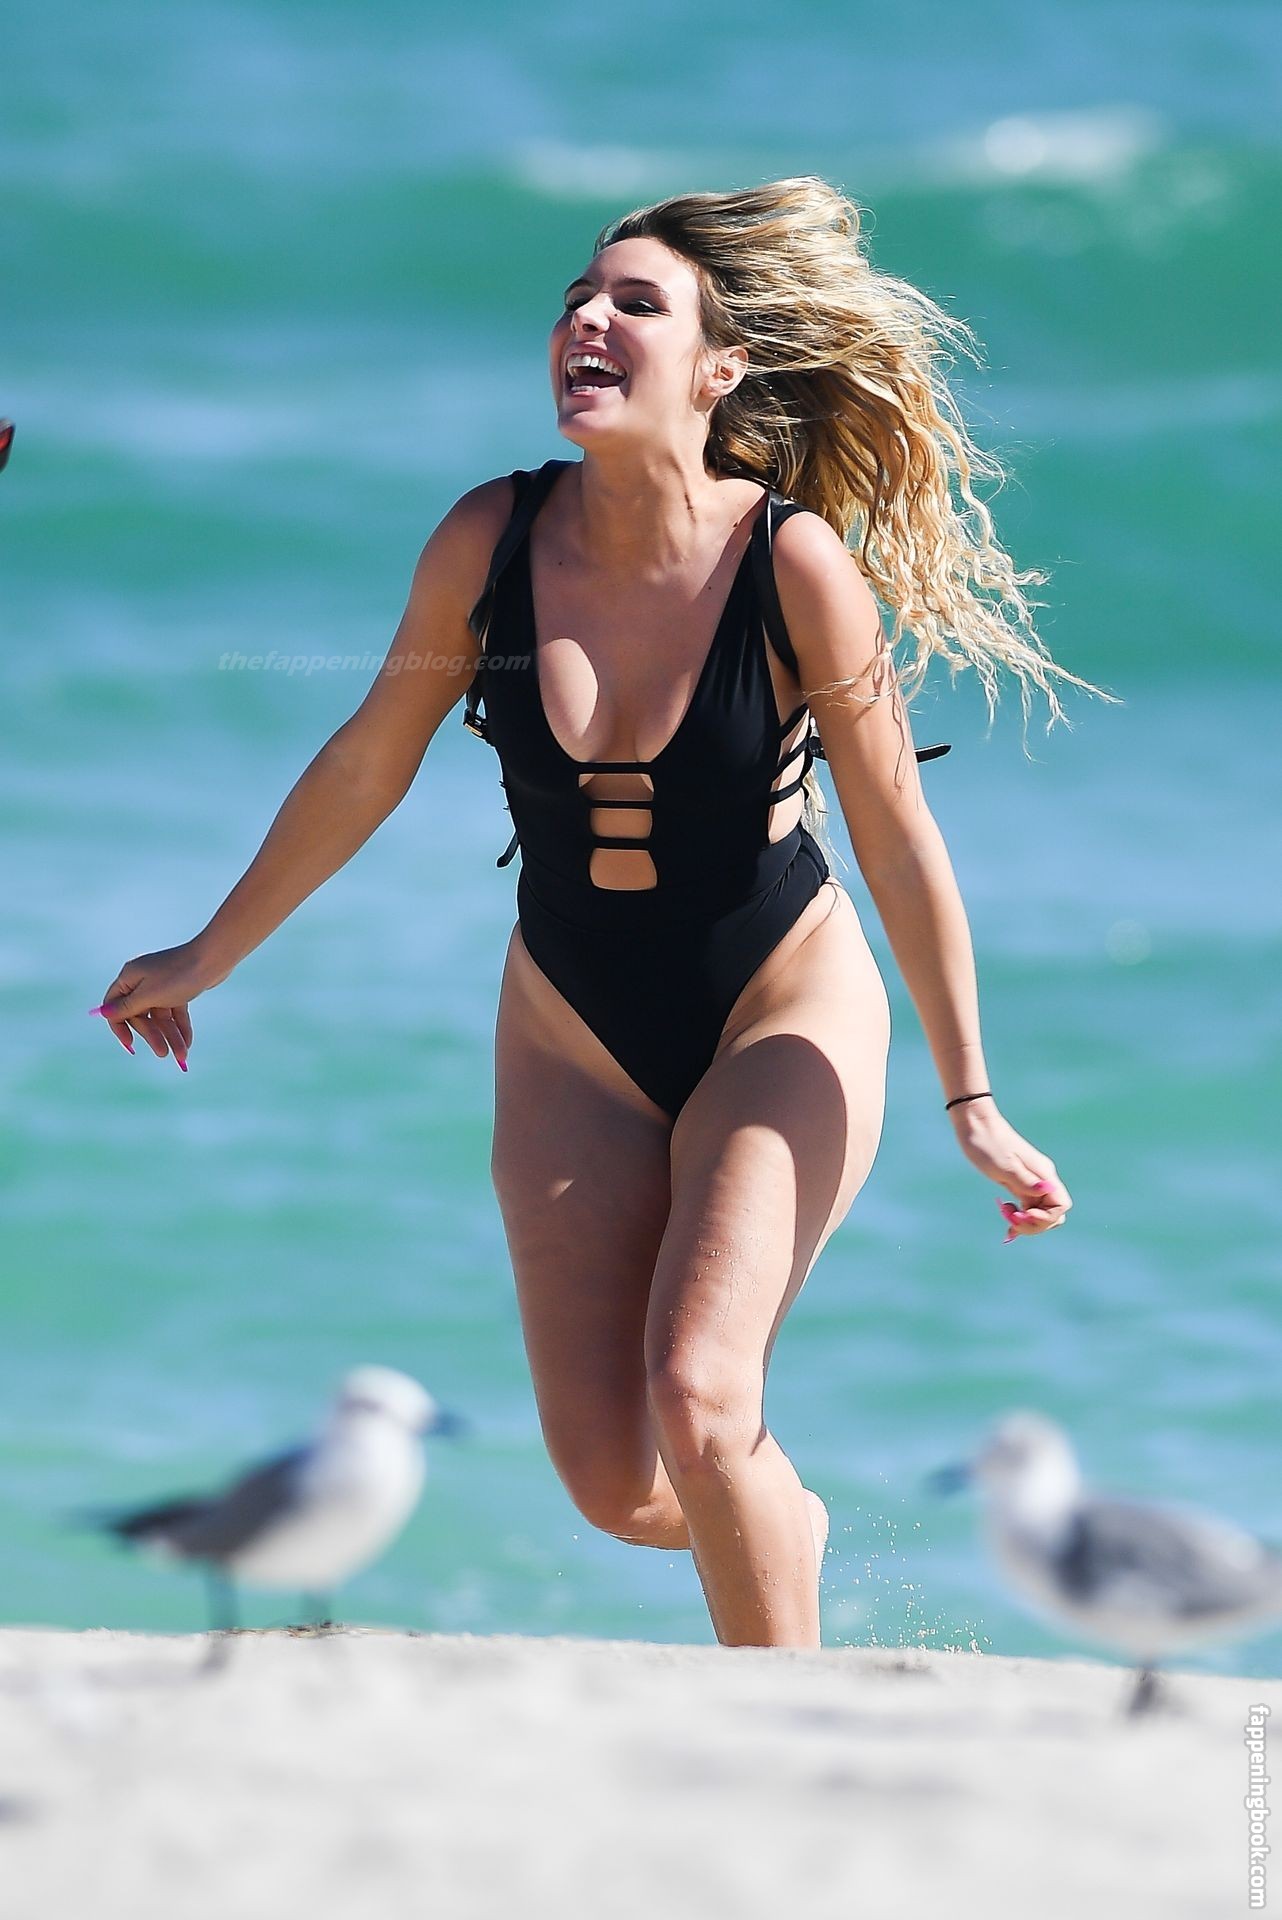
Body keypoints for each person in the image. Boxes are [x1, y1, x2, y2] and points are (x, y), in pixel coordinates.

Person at [94, 177, 1089, 1651]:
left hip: (778, 1007)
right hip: (571, 1024)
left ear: (719, 368)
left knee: (701, 1394)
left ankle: (785, 1719)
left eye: (636, 303)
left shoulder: (789, 563)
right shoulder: (491, 538)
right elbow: (368, 761)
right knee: (619, 1485)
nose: (589, 321)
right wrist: (206, 954)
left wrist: (973, 1097)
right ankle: (779, 1520)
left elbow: (893, 832)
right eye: (576, 299)